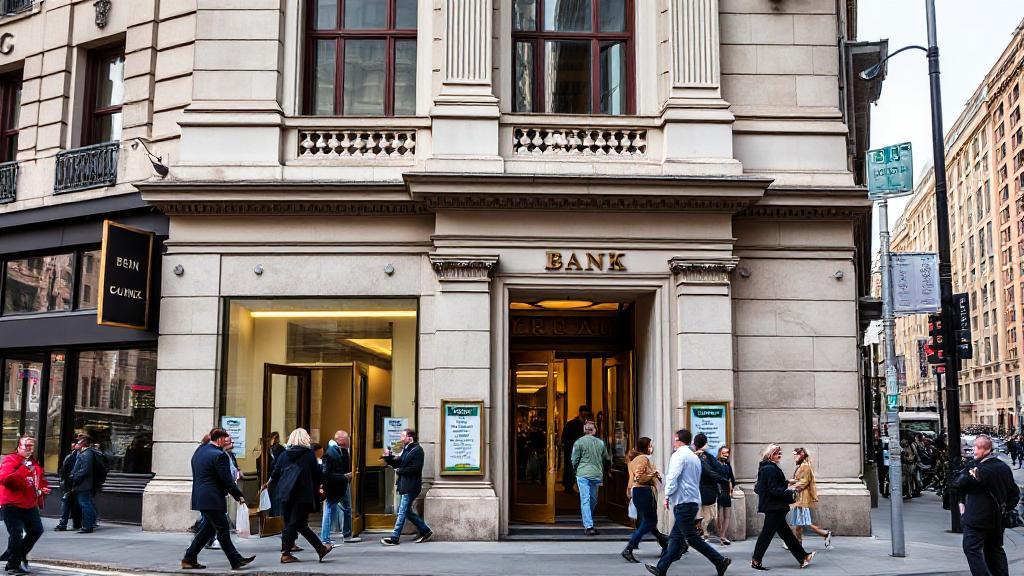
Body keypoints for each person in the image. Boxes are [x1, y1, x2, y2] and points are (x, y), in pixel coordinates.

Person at [644, 428, 731, 576]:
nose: (673, 442)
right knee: (676, 537)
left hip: (683, 501)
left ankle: (719, 560)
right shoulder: (693, 457)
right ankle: (661, 568)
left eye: (675, 439)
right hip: (691, 500)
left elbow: (673, 477)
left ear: (679, 440)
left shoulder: (679, 456)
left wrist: (667, 496)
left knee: (690, 537)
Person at [181, 428, 255, 570]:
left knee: (207, 530)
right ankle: (235, 560)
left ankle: (189, 558)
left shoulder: (200, 451)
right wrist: (239, 496)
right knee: (223, 529)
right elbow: (227, 480)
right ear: (220, 439)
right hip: (213, 498)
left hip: (200, 497)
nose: (227, 442)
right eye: (225, 439)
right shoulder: (219, 455)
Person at [952, 434, 1020, 576]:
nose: (973, 451)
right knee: (994, 550)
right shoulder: (1003, 468)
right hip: (997, 519)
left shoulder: (979, 469)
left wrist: (967, 470)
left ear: (983, 449)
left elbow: (958, 483)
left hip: (977, 519)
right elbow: (1014, 493)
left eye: (975, 448)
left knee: (971, 548)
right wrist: (1004, 508)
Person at [267, 428, 333, 563]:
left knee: (297, 523)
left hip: (285, 494)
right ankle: (286, 553)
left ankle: (320, 548)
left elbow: (275, 474)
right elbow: (316, 475)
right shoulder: (308, 455)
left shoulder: (284, 455)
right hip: (302, 495)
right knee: (294, 522)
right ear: (304, 439)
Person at [750, 444, 814, 571]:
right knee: (767, 535)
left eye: (780, 453)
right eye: (776, 453)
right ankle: (756, 560)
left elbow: (766, 486)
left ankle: (803, 557)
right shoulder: (770, 469)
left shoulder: (767, 467)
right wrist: (791, 494)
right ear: (770, 455)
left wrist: (787, 482)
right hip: (774, 506)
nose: (779, 455)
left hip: (773, 506)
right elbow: (774, 489)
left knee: (786, 534)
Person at [0, 435, 50, 575]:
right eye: (26, 446)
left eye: (31, 446)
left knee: (36, 530)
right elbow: (4, 478)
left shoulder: (34, 463)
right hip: (12, 504)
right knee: (16, 534)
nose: (29, 449)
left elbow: (39, 480)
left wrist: (43, 488)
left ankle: (15, 555)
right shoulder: (11, 459)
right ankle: (14, 565)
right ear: (19, 446)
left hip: (29, 504)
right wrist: (22, 468)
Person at [381, 428, 432, 546]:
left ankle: (394, 537)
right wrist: (389, 458)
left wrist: (400, 471)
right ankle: (425, 530)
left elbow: (415, 468)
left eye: (403, 436)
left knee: (402, 511)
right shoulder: (407, 449)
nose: (401, 438)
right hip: (405, 484)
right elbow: (400, 463)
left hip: (411, 485)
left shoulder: (417, 450)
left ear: (410, 437)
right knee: (406, 512)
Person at [621, 437, 668, 563]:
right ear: (646, 446)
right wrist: (654, 474)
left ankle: (665, 543)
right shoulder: (643, 458)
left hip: (638, 492)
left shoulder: (634, 459)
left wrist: (629, 490)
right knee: (650, 521)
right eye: (651, 445)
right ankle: (629, 548)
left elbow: (633, 478)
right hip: (643, 491)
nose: (652, 447)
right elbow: (639, 477)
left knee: (649, 522)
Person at [321, 430, 360, 545]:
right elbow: (327, 473)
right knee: (329, 509)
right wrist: (344, 476)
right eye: (347, 438)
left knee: (347, 508)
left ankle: (346, 535)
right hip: (335, 486)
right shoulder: (331, 452)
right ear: (341, 440)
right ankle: (326, 538)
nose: (349, 440)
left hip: (342, 484)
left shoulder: (341, 450)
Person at [789, 447, 833, 549]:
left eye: (796, 455)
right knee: (799, 523)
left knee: (804, 522)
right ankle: (798, 544)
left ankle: (825, 534)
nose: (794, 457)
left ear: (801, 455)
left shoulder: (805, 466)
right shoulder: (802, 466)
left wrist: (792, 487)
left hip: (802, 498)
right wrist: (792, 481)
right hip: (799, 498)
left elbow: (804, 481)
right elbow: (800, 480)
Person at [571, 421, 607, 536]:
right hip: (596, 473)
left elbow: (574, 459)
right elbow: (605, 457)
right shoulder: (600, 443)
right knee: (593, 499)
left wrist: (576, 469)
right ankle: (588, 522)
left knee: (585, 499)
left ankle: (588, 524)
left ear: (584, 430)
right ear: (594, 430)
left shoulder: (578, 442)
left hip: (582, 474)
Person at [70, 435, 102, 533]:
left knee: (85, 504)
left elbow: (85, 469)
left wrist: (75, 477)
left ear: (84, 443)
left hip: (83, 483)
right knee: (86, 503)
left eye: (79, 442)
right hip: (83, 483)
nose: (77, 444)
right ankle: (89, 524)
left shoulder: (86, 454)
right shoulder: (85, 453)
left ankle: (88, 526)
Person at [693, 433, 723, 540]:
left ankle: (702, 532)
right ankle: (702, 532)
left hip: (696, 490)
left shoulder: (694, 455)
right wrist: (721, 479)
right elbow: (714, 471)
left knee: (702, 514)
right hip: (706, 489)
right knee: (708, 514)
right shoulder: (706, 457)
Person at [54, 437, 85, 532]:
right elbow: (64, 470)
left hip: (73, 483)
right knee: (72, 503)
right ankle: (75, 523)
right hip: (72, 483)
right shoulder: (74, 456)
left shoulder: (78, 456)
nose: (73, 445)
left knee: (68, 502)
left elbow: (65, 470)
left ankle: (64, 524)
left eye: (76, 443)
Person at [561, 405, 590, 494]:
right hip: (572, 449)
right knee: (572, 468)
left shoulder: (573, 423)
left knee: (572, 468)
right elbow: (565, 438)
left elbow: (564, 438)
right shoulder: (575, 424)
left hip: (574, 449)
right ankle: (570, 486)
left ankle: (570, 486)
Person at [716, 446, 736, 546]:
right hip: (719, 491)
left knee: (727, 515)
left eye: (727, 453)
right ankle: (720, 536)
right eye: (724, 453)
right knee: (719, 516)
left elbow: (732, 477)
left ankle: (723, 536)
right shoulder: (716, 464)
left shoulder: (727, 464)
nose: (726, 454)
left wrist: (732, 486)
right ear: (720, 453)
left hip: (727, 491)